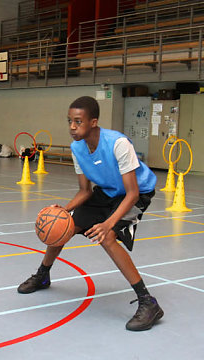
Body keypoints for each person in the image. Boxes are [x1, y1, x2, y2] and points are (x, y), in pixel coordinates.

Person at [18, 96, 164, 332]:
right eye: (69, 121)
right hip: (105, 192)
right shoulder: (78, 148)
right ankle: (43, 275)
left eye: (78, 121)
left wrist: (108, 224)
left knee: (107, 238)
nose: (72, 127)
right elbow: (84, 191)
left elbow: (132, 194)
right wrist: (63, 211)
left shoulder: (118, 144)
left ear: (93, 122)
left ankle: (148, 302)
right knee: (63, 226)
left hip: (136, 194)